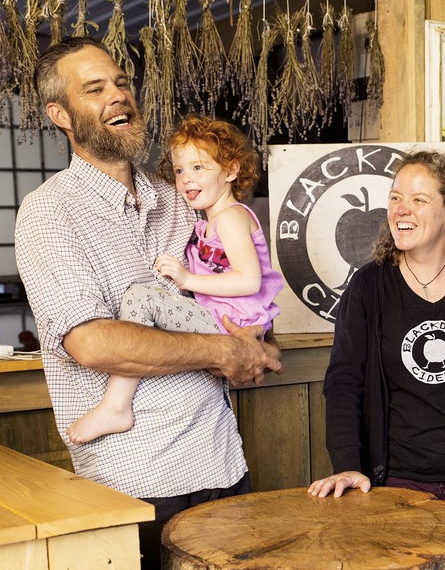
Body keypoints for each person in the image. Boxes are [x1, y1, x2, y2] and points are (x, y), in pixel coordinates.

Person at [14, 37, 280, 570]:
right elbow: (91, 340)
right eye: (94, 88)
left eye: (122, 80)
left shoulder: (179, 198)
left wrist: (242, 337)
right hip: (135, 484)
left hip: (222, 467)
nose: (118, 95)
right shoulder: (50, 214)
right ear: (61, 115)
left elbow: (235, 293)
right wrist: (221, 350)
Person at [308, 149, 445, 504]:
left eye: (418, 199)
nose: (401, 209)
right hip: (393, 480)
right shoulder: (369, 285)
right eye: (395, 197)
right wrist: (348, 464)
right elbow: (343, 384)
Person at [65, 114, 283, 445]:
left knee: (142, 299)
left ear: (231, 170)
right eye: (180, 170)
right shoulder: (206, 221)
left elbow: (249, 281)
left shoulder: (232, 217)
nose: (186, 179)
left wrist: (186, 278)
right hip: (222, 319)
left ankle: (116, 404)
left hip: (229, 322)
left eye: (199, 168)